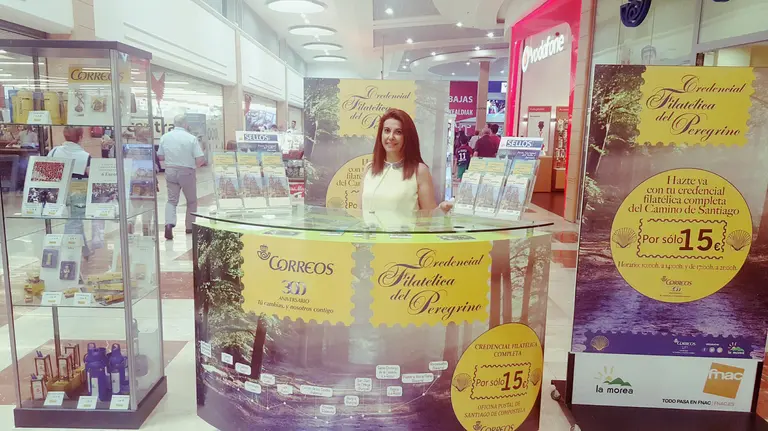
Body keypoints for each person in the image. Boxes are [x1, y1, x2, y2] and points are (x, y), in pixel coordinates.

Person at [361, 109, 451, 216]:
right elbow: (359, 213)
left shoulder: (419, 171)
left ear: (407, 137)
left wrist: (441, 210)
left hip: (406, 232)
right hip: (370, 232)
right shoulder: (369, 168)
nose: (391, 137)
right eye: (387, 130)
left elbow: (429, 216)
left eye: (398, 132)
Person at [157, 114, 205, 240]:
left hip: (170, 171)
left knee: (172, 200)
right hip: (187, 172)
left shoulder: (165, 137)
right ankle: (189, 227)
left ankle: (169, 224)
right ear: (185, 124)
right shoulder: (191, 138)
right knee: (191, 200)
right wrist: (194, 165)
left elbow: (160, 156)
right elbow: (200, 159)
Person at [50, 127, 93, 257]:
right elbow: (90, 175)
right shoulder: (85, 156)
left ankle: (85, 251)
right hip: (78, 190)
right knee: (74, 220)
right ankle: (68, 255)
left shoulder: (54, 152)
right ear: (80, 137)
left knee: (75, 221)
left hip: (57, 190)